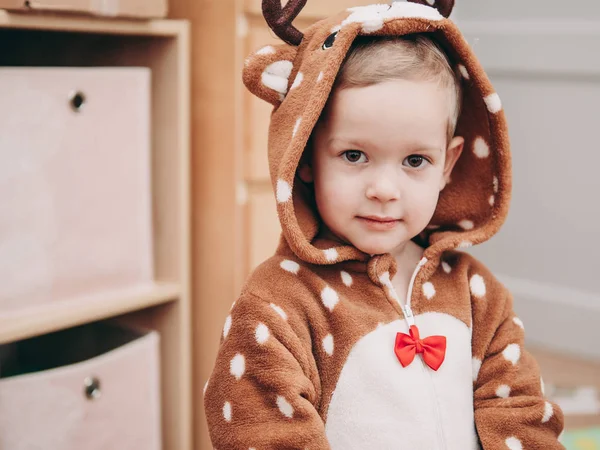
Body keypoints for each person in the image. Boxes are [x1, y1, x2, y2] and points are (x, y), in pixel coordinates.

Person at [203, 1, 565, 448]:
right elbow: (261, 431)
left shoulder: (476, 293)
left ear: (448, 164)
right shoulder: (277, 304)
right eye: (354, 155)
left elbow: (520, 412)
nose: (384, 189)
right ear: (307, 156)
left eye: (415, 160)